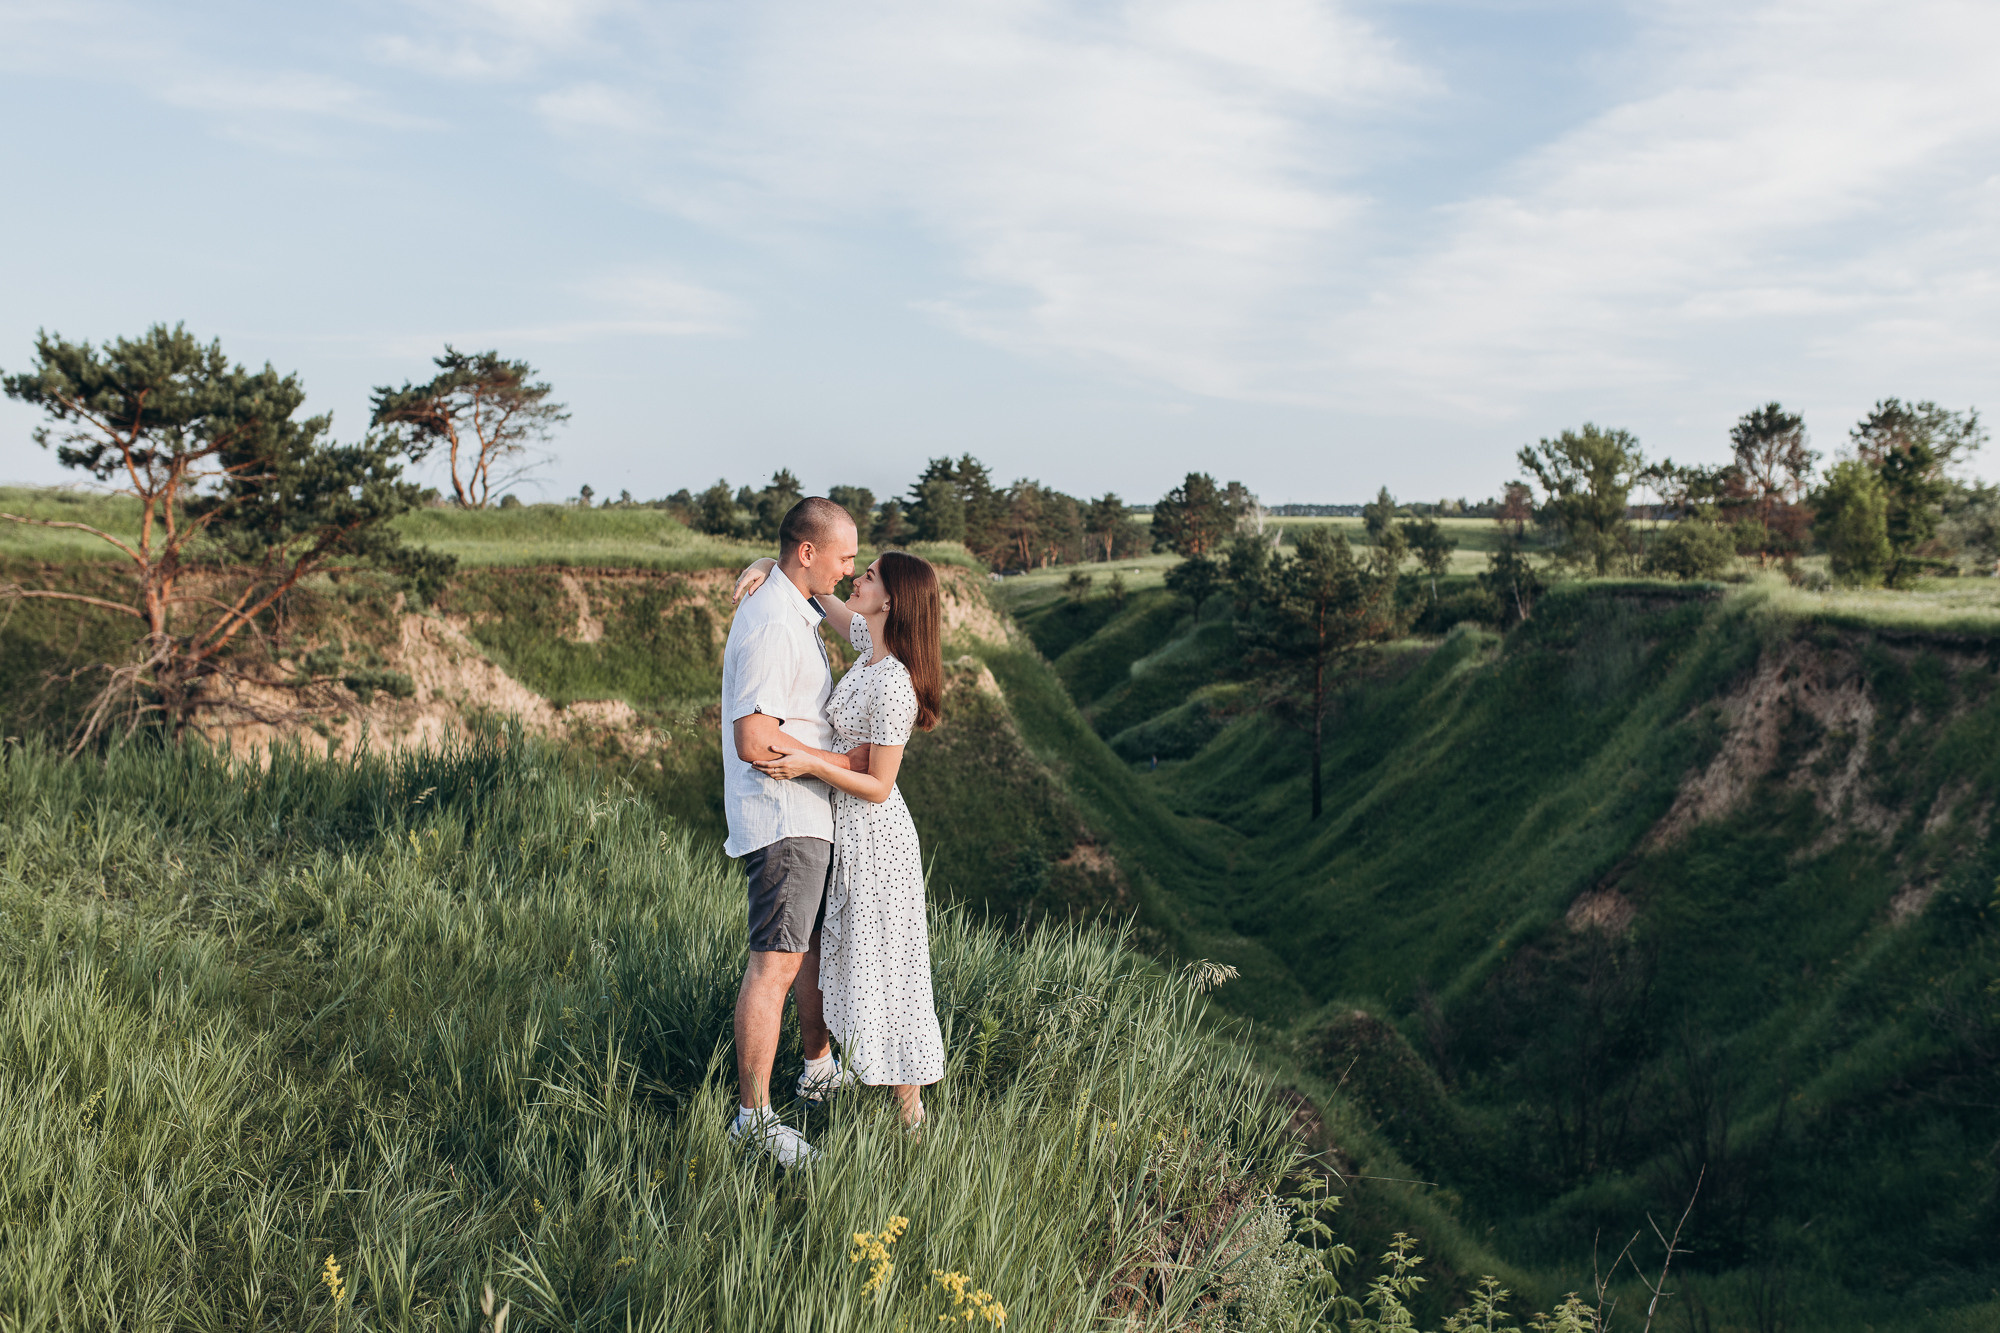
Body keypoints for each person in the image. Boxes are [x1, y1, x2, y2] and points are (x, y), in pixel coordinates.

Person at [733, 548, 948, 1129]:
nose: (856, 577)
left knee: (889, 964)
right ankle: (830, 1069)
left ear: (892, 601)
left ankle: (911, 1112)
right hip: (844, 828)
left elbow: (878, 785)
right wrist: (765, 565)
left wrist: (806, 761)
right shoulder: (866, 641)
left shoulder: (895, 682)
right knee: (841, 955)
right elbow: (812, 588)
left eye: (870, 575)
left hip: (877, 839)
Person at [719, 497, 873, 1167]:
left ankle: (816, 1070)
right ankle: (752, 1119)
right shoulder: (774, 623)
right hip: (783, 820)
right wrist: (835, 763)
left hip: (805, 815)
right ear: (807, 553)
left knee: (803, 952)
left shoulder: (794, 609)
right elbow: (754, 737)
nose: (850, 569)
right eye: (844, 557)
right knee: (774, 965)